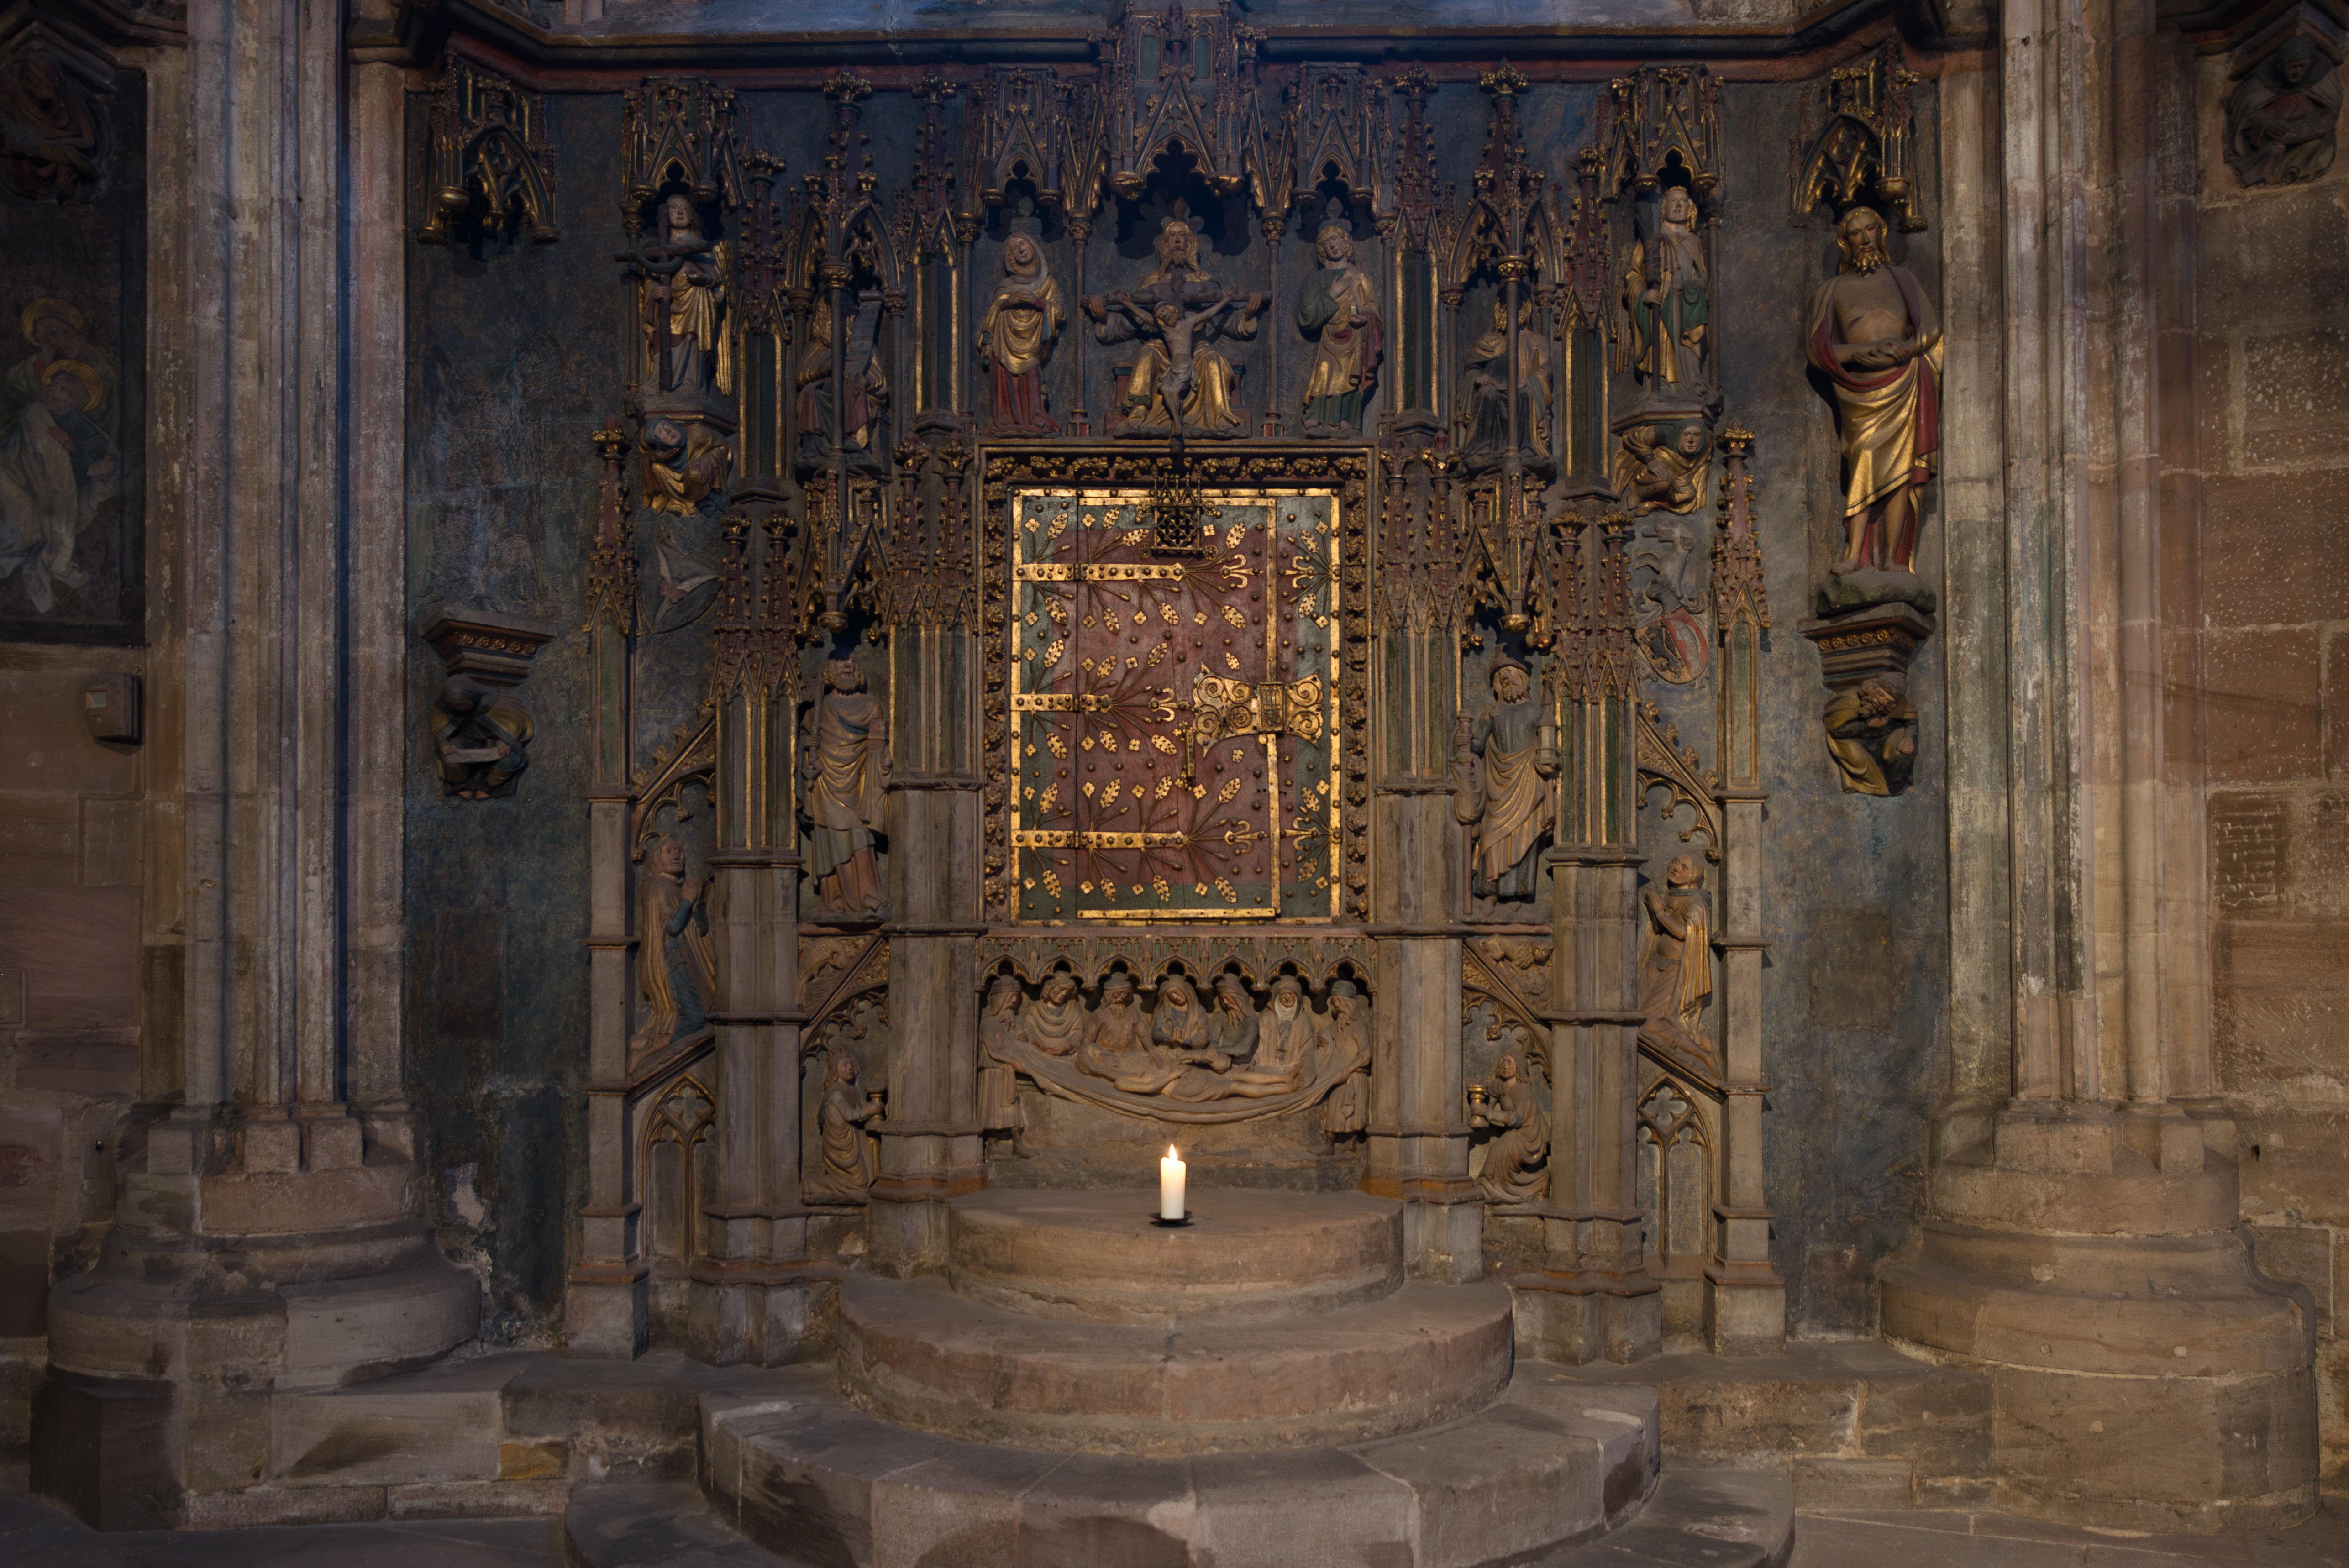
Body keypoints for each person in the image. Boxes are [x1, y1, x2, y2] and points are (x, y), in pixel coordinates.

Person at [1806, 206, 1942, 580]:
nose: (1865, 239)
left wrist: (1907, 349)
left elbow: (1931, 329)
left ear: (1880, 233)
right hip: (1859, 392)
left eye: (1870, 230)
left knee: (1901, 471)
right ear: (1845, 242)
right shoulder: (1831, 290)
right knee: (1864, 460)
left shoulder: (1903, 280)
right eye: (1855, 233)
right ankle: (1853, 556)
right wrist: (1859, 352)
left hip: (1904, 381)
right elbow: (1818, 350)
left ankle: (1892, 560)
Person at [0, 357, 114, 614]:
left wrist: (75, 449)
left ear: (72, 401)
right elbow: (33, 449)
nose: (52, 388)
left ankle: (42, 564)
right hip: (17, 473)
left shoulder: (78, 422)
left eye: (62, 388)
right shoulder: (35, 412)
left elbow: (99, 451)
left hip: (51, 487)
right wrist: (74, 458)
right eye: (53, 383)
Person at [1455, 656, 1557, 902]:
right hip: (1498, 783)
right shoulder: (1492, 713)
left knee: (1524, 833)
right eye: (1500, 675)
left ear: (1522, 678)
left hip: (1528, 779)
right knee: (1492, 834)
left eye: (1510, 672)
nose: (1505, 678)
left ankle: (1518, 893)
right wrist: (1465, 740)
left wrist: (1547, 762)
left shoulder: (1536, 711)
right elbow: (1479, 746)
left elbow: (1548, 749)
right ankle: (1490, 891)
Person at [804, 657, 888, 914]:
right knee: (829, 836)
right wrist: (806, 746)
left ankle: (868, 894)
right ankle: (834, 898)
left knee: (860, 835)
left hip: (859, 780)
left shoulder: (871, 705)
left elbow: (880, 743)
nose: (847, 666)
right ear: (829, 670)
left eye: (852, 661)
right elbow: (804, 743)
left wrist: (879, 756)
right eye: (840, 661)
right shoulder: (817, 710)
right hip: (825, 781)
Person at [1618, 185, 1710, 392]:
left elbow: (1702, 275)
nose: (1678, 206)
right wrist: (1644, 295)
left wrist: (1696, 286)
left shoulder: (1694, 242)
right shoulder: (1652, 239)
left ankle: (1692, 383)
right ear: (1663, 208)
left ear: (1690, 209)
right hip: (1661, 302)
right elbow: (1632, 274)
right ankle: (1661, 384)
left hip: (1686, 304)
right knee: (1661, 340)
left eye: (1684, 201)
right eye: (1673, 201)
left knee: (1688, 340)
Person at [632, 835, 717, 1056]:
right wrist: (687, 900)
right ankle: (649, 1053)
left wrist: (698, 903)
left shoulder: (683, 887)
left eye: (679, 851)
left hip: (693, 959)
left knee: (701, 1017)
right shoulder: (655, 886)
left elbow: (702, 929)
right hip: (676, 960)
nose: (677, 855)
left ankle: (647, 1048)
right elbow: (672, 927)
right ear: (657, 859)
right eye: (669, 851)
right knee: (695, 1018)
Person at [1296, 222, 1382, 436]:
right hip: (1329, 336)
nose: (1332, 245)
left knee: (1351, 376)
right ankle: (1318, 417)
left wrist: (1364, 318)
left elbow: (1373, 307)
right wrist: (1332, 294)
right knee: (1325, 372)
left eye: (1335, 239)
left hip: (1355, 336)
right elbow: (1307, 315)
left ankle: (1347, 420)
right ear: (1322, 251)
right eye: (1326, 243)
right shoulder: (1317, 279)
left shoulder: (1360, 277)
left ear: (1346, 243)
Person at [2224, 36, 2339, 188]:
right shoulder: (2263, 78)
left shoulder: (2323, 75)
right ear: (2280, 66)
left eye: (2303, 66)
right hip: (2270, 139)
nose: (2297, 72)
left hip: (2308, 132)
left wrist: (2300, 130)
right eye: (2292, 67)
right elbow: (2245, 111)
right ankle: (2269, 173)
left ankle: (2293, 170)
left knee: (2318, 143)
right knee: (2274, 149)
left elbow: (2330, 112)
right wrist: (2266, 124)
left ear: (2311, 64)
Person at [1637, 855, 1716, 1077]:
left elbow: (1685, 933)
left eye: (1684, 867)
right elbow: (1659, 930)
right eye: (1675, 862)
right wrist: (1654, 911)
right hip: (1655, 967)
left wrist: (1660, 913)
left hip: (1675, 971)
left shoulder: (1695, 902)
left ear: (1693, 876)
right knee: (1632, 1016)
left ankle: (1701, 1057)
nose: (1676, 868)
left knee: (1651, 1023)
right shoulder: (1670, 896)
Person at [980, 234, 1065, 435]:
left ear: (1033, 246)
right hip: (1005, 337)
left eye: (1022, 243)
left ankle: (1035, 415)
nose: (1020, 250)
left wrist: (1037, 302)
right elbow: (996, 308)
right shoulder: (1007, 284)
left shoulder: (1049, 284)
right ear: (1011, 258)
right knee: (1003, 370)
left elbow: (1059, 312)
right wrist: (1010, 302)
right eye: (1014, 249)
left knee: (1031, 371)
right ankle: (1005, 415)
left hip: (1033, 338)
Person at [430, 679, 533, 800]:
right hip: (466, 741)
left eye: (465, 703)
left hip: (495, 742)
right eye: (456, 707)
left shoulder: (495, 700)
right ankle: (460, 785)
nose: (462, 709)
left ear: (473, 695)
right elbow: (438, 730)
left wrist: (505, 742)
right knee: (451, 759)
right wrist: (442, 743)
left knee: (513, 759)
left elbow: (512, 726)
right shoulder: (443, 708)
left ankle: (488, 785)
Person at [804, 1051, 881, 1203]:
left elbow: (857, 1112)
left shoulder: (852, 1089)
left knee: (873, 1146)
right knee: (859, 1181)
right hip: (840, 1144)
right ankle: (812, 1185)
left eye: (851, 1064)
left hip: (853, 1137)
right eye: (845, 1065)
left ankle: (866, 1188)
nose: (850, 1068)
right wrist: (869, 1110)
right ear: (837, 1070)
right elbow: (849, 1115)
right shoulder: (836, 1093)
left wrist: (869, 1111)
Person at [1473, 1049, 1548, 1206]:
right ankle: (1491, 1186)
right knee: (1498, 1149)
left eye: (1509, 1062)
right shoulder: (1499, 1085)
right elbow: (1488, 1110)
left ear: (1518, 1067)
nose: (1505, 1066)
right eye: (1503, 1061)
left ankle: (1538, 1181)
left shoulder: (1522, 1089)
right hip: (1515, 1131)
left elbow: (1517, 1119)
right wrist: (1478, 1115)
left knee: (1499, 1150)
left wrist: (1488, 1113)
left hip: (1528, 1135)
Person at [1316, 979, 1371, 1151]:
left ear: (1350, 1003)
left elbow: (1366, 1055)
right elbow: (1328, 1043)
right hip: (1338, 1075)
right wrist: (1322, 1041)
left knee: (1350, 1111)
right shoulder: (1335, 1027)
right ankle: (1330, 1144)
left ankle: (1350, 1142)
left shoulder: (1358, 1027)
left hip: (1353, 1075)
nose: (1338, 1005)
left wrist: (1349, 1069)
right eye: (1334, 1002)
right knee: (1334, 1111)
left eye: (1341, 1001)